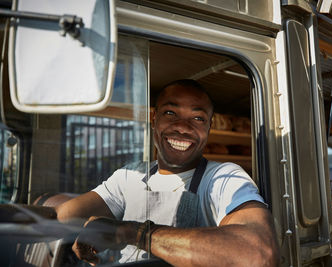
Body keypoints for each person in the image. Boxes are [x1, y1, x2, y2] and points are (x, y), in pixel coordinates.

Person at [55, 79, 279, 266]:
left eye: (198, 118)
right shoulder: (130, 175)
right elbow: (63, 216)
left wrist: (134, 232)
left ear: (209, 128)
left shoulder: (223, 177)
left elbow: (259, 253)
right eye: (171, 113)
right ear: (155, 120)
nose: (182, 127)